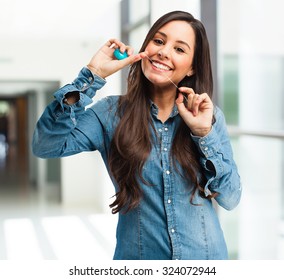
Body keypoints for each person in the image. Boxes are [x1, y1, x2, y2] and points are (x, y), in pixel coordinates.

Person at [32, 10, 241, 260]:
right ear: (146, 48)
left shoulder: (207, 117)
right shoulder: (110, 113)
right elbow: (46, 144)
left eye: (179, 49)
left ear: (192, 68)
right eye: (159, 41)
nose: (163, 52)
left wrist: (203, 133)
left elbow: (230, 197)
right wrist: (92, 75)